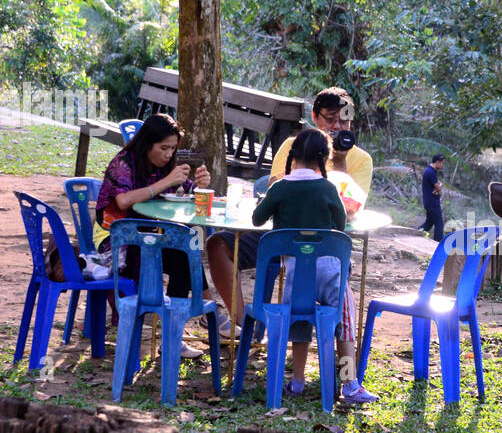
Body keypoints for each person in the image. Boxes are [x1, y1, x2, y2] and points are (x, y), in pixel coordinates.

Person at [206, 86, 378, 404]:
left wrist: (336, 163)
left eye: (345, 122)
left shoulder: (360, 160)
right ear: (313, 118)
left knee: (318, 317)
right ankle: (347, 382)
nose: (338, 128)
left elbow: (354, 208)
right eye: (330, 121)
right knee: (344, 317)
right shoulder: (292, 145)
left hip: (309, 255)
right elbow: (282, 191)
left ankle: (311, 380)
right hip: (302, 249)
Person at [95, 113, 212, 359]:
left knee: (184, 253)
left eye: (173, 148)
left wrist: (201, 185)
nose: (169, 154)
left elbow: (187, 191)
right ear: (148, 144)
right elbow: (124, 201)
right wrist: (166, 181)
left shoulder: (163, 167)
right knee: (179, 251)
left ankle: (174, 336)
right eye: (164, 148)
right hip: (115, 240)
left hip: (146, 235)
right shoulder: (124, 163)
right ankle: (209, 309)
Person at [251, 129, 348, 397]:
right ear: (325, 158)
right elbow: (340, 227)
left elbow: (257, 220)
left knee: (298, 323)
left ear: (293, 156)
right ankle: (346, 381)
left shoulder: (280, 187)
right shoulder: (328, 188)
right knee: (339, 323)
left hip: (296, 271)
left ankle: (297, 380)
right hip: (329, 269)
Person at [419, 154, 445, 242]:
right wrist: (440, 186)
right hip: (432, 202)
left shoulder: (430, 171)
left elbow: (435, 187)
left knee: (428, 223)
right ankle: (437, 243)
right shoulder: (430, 172)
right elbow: (438, 187)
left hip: (429, 202)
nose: (442, 166)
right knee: (439, 224)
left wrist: (438, 186)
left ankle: (415, 234)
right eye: (442, 163)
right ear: (437, 162)